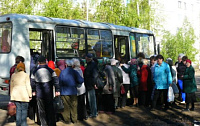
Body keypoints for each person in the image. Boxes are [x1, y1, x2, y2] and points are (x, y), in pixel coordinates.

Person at [31, 55, 60, 126]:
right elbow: (56, 81)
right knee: (50, 109)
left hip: (39, 94)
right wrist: (57, 90)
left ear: (38, 62)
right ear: (45, 62)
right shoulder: (50, 70)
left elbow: (32, 82)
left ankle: (43, 124)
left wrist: (33, 90)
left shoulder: (35, 71)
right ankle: (51, 123)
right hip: (48, 93)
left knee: (41, 110)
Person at [59, 59, 84, 123]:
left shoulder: (62, 72)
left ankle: (67, 120)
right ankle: (74, 119)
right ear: (72, 65)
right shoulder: (75, 72)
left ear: (66, 65)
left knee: (66, 106)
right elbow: (80, 80)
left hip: (64, 91)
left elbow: (59, 82)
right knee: (74, 105)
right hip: (73, 91)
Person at [84, 53, 98, 118]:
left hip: (90, 84)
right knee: (91, 99)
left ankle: (94, 113)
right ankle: (93, 112)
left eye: (86, 58)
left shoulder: (92, 65)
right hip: (89, 84)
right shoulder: (91, 64)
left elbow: (94, 75)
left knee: (92, 99)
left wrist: (94, 84)